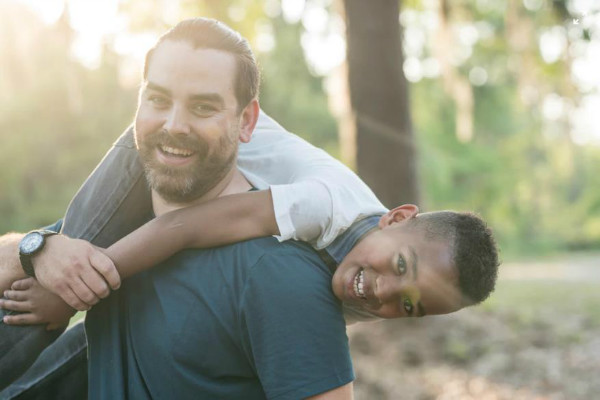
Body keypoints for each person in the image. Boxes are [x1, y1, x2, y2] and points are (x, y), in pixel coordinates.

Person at [0, 18, 499, 399]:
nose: (384, 291)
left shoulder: (342, 282)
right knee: (58, 270)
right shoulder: (326, 205)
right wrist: (66, 289)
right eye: (400, 265)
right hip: (150, 155)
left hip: (203, 153)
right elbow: (183, 227)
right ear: (396, 217)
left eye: (410, 305)